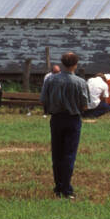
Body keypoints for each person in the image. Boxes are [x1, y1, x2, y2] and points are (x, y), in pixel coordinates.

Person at [39, 51, 91, 199]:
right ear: (75, 64)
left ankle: (58, 187)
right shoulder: (80, 82)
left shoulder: (50, 80)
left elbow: (43, 100)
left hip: (56, 119)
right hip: (72, 119)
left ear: (62, 63)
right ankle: (66, 188)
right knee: (69, 154)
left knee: (57, 154)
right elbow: (85, 105)